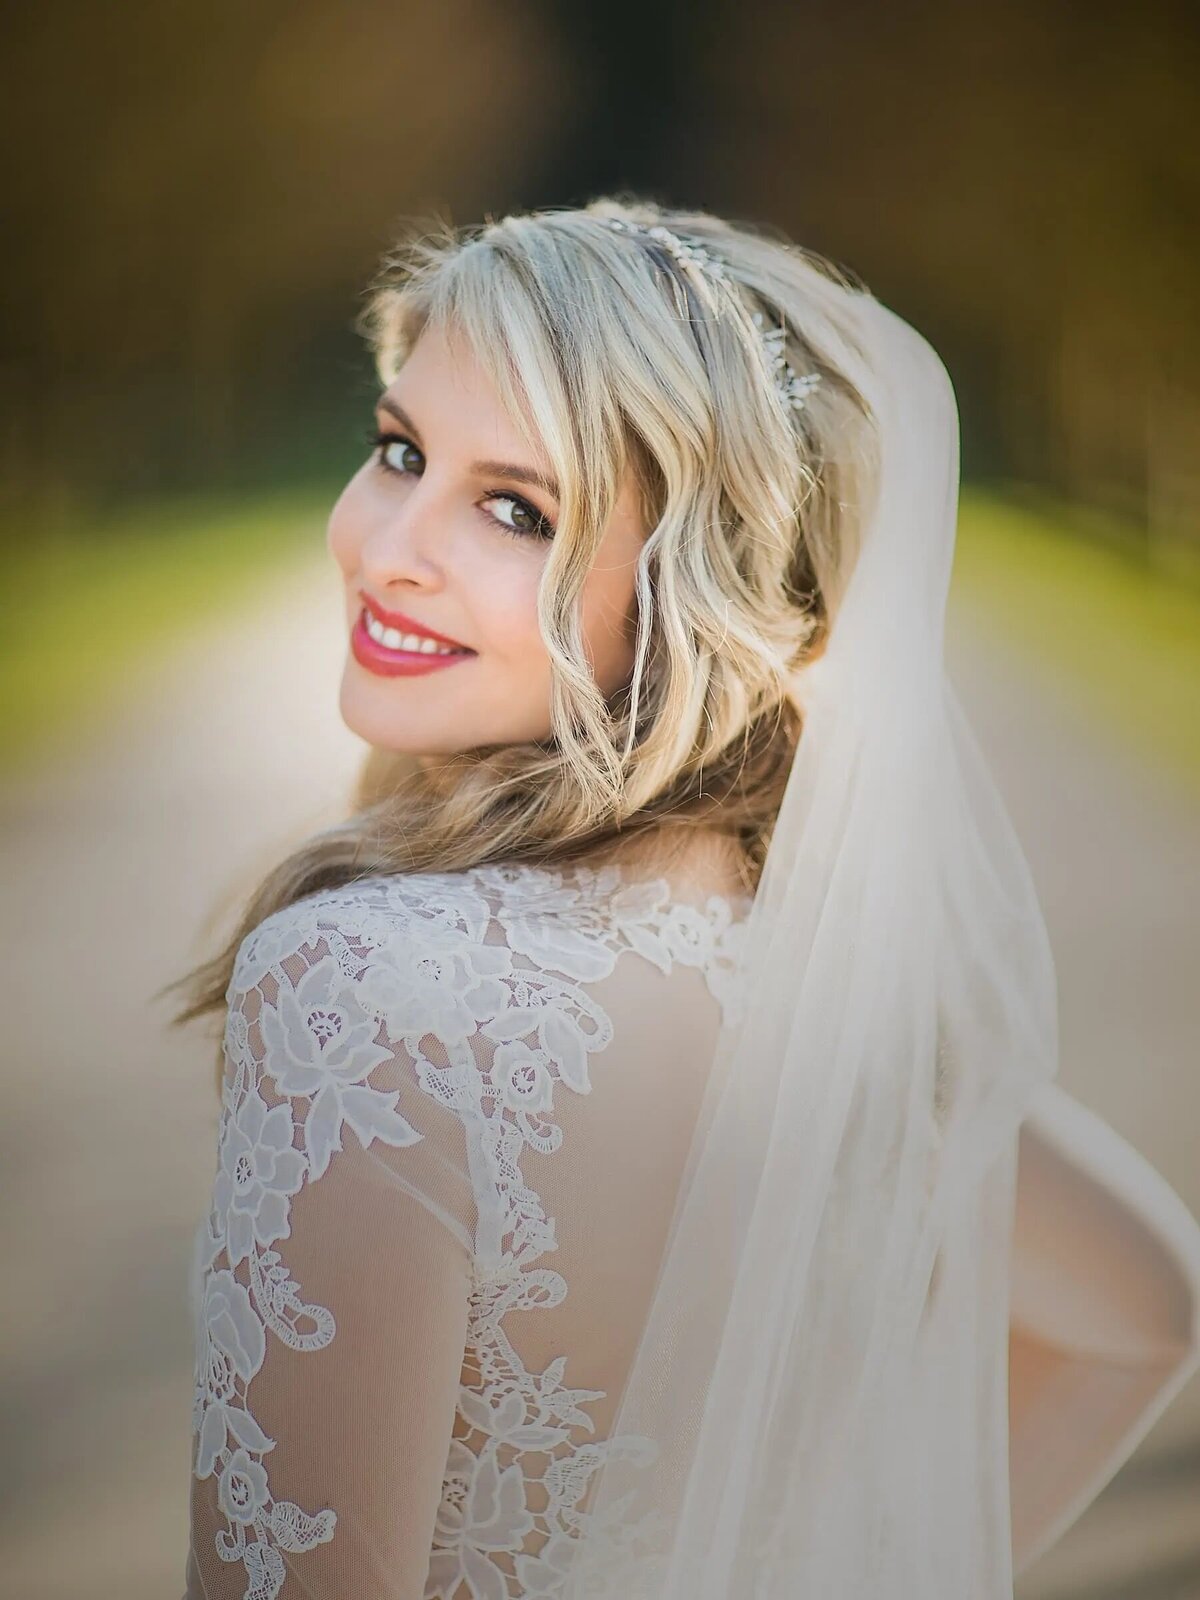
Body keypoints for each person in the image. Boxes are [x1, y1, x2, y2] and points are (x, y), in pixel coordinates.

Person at [166, 198, 1200, 1600]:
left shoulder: (357, 994)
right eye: (400, 448)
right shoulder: (830, 978)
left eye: (516, 508)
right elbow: (1145, 1310)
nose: (388, 543)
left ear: (687, 593)